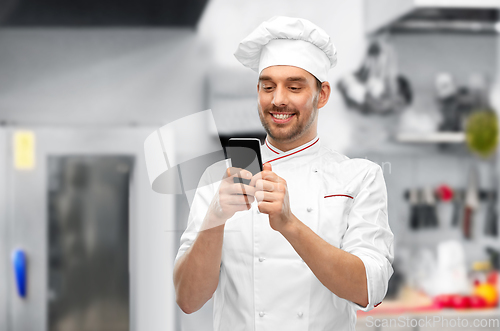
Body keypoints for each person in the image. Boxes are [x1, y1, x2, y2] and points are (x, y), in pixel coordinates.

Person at [173, 16, 394, 330]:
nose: (278, 100)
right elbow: (187, 299)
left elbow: (369, 290)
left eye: (294, 87)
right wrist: (215, 218)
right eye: (267, 87)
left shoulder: (359, 177)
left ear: (322, 94)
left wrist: (289, 224)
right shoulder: (217, 179)